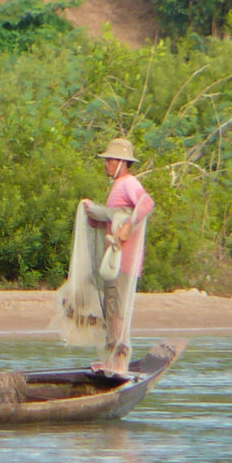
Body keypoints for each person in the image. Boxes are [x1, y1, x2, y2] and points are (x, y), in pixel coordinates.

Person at [82, 137, 154, 375]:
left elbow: (146, 204)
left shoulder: (129, 183)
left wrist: (126, 230)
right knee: (112, 309)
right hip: (114, 260)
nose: (107, 164)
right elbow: (114, 216)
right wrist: (94, 215)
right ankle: (113, 358)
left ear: (122, 162)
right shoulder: (118, 186)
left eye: (111, 160)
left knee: (116, 309)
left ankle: (118, 362)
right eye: (107, 160)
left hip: (123, 260)